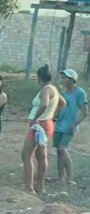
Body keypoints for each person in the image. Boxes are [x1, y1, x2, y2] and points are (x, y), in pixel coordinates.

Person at [22, 65, 65, 194]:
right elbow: (63, 103)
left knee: (26, 154)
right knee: (41, 155)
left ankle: (29, 187)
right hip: (46, 123)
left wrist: (35, 118)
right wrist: (52, 115)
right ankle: (40, 185)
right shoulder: (53, 89)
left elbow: (44, 104)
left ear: (39, 78)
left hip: (39, 124)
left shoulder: (45, 90)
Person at [53, 68, 87, 185]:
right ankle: (60, 177)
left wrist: (75, 124)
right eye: (62, 77)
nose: (62, 80)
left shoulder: (80, 92)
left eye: (65, 78)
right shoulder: (63, 93)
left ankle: (70, 177)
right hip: (59, 124)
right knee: (58, 151)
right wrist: (54, 116)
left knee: (62, 149)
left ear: (72, 80)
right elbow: (60, 109)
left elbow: (84, 112)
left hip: (69, 125)